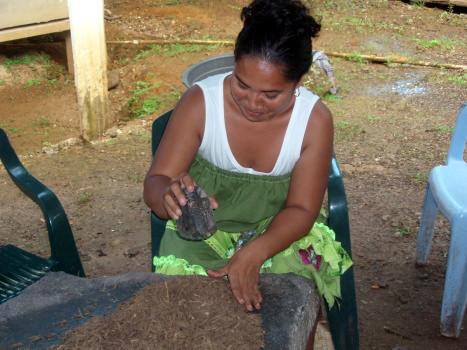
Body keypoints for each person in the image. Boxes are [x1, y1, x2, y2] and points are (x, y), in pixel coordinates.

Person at [144, 0, 351, 312]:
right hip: (206, 230)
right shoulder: (201, 103)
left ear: (298, 81)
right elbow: (155, 185)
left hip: (280, 231)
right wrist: (168, 194)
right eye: (241, 84)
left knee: (289, 306)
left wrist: (256, 252)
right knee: (189, 311)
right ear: (234, 63)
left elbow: (302, 209)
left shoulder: (314, 121)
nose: (253, 102)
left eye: (271, 94)